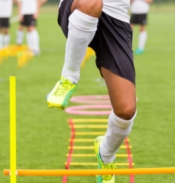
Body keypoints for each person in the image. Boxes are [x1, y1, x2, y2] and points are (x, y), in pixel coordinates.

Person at [46, 0, 137, 182]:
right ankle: (69, 77)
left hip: (116, 19)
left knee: (126, 110)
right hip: (79, 6)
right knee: (92, 2)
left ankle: (106, 153)